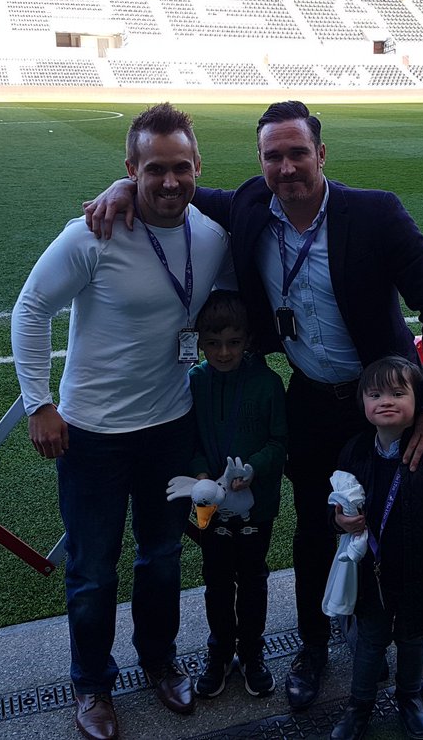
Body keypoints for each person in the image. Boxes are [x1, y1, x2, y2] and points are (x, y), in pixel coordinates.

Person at [84, 100, 423, 713]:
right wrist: (124, 184)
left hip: (384, 402)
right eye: (272, 156)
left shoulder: (375, 212)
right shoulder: (252, 206)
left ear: (321, 154)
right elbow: (180, 187)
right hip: (312, 400)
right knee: (315, 531)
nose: (286, 167)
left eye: (297, 153)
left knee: (399, 525)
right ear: (260, 163)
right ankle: (313, 647)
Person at [12, 103, 232, 739]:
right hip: (93, 438)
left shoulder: (212, 237)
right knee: (92, 568)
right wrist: (39, 403)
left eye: (181, 168)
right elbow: (31, 310)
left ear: (198, 168)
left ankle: (159, 664)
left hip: (170, 427)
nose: (169, 182)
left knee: (162, 556)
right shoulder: (92, 233)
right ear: (130, 169)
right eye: (154, 169)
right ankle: (92, 685)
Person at [329, 356, 423, 740]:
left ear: (419, 401)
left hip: (422, 576)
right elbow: (338, 505)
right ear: (362, 402)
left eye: (399, 393)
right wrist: (339, 521)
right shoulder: (355, 451)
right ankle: (358, 706)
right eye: (375, 393)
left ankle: (409, 699)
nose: (386, 401)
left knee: (413, 642)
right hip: (372, 578)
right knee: (369, 643)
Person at [187, 290, 286, 700]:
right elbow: (188, 438)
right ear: (199, 343)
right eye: (212, 344)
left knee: (253, 579)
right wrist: (201, 473)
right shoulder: (195, 382)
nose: (223, 352)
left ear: (247, 340)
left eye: (233, 342)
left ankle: (252, 653)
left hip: (256, 507)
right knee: (215, 580)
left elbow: (281, 443)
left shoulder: (268, 384)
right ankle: (219, 653)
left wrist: (254, 470)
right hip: (211, 507)